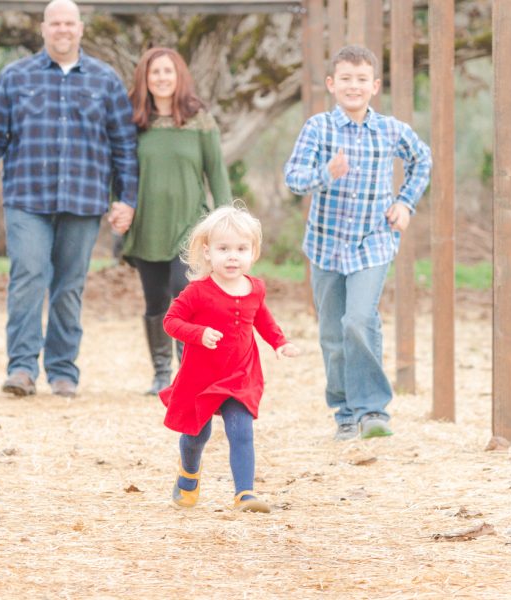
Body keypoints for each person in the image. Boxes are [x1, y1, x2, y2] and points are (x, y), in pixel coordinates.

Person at [0, 0, 138, 398]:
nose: (62, 30)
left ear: (81, 29)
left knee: (69, 285)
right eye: (55, 23)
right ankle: (23, 368)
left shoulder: (105, 80)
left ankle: (63, 370)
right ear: (43, 29)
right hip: (27, 198)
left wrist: (126, 198)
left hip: (83, 200)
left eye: (69, 23)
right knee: (27, 276)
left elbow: (124, 146)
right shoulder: (15, 77)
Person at [284, 45, 432, 441]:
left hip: (372, 243)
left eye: (361, 79)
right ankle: (345, 412)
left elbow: (423, 159)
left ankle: (372, 411)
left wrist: (405, 203)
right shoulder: (318, 128)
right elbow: (294, 178)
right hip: (326, 245)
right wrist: (326, 173)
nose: (354, 86)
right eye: (345, 79)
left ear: (374, 85)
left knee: (359, 320)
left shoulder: (390, 129)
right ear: (332, 84)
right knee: (333, 334)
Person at [158, 205, 300, 513]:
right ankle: (189, 472)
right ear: (208, 253)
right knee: (198, 435)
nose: (232, 256)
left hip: (240, 376)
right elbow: (171, 321)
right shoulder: (197, 292)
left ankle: (244, 494)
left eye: (241, 249)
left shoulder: (255, 289)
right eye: (224, 249)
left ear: (253, 253)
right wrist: (197, 333)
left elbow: (263, 321)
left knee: (241, 431)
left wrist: (280, 342)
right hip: (201, 376)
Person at [121, 47, 232, 396]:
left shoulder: (199, 119)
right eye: (155, 72)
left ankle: (189, 373)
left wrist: (227, 222)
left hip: (191, 225)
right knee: (154, 300)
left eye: (168, 71)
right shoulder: (134, 121)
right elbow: (120, 170)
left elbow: (217, 174)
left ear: (179, 75)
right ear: (145, 78)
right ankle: (160, 373)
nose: (162, 78)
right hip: (147, 225)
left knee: (183, 292)